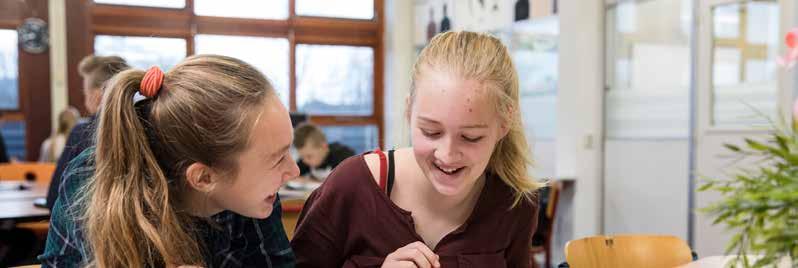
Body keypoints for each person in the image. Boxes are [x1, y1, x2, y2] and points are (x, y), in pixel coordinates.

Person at [291, 31, 543, 267]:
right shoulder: (351, 186)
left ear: (504, 124)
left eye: (470, 137)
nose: (446, 154)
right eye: (431, 132)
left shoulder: (516, 203)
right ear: (409, 110)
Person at [40, 55, 299, 267]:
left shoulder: (256, 197)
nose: (294, 171)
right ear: (203, 178)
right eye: (277, 159)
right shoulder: (93, 179)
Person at [45, 55, 130, 209]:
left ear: (97, 96)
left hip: (91, 230)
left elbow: (54, 198)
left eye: (85, 93)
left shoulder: (82, 133)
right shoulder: (152, 127)